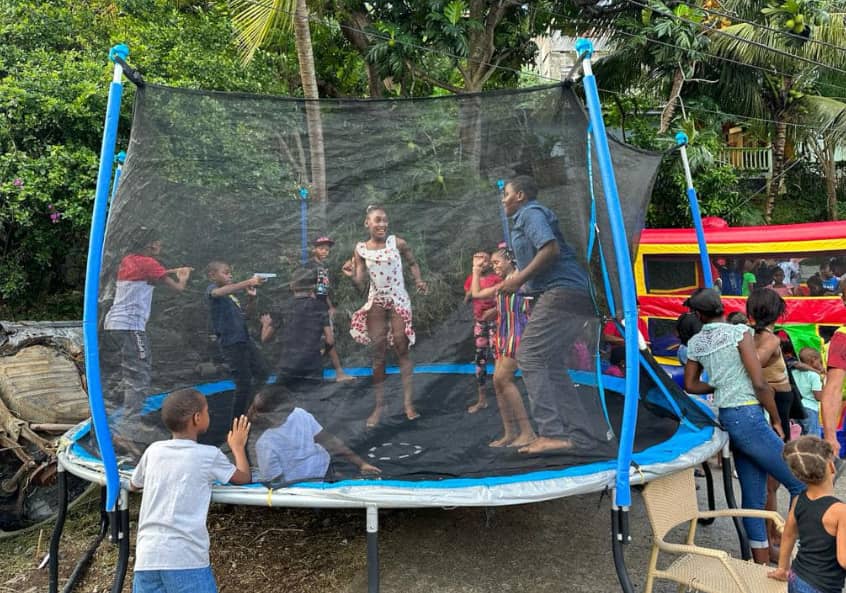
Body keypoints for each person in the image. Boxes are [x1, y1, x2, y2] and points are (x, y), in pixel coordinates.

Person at [683, 287, 805, 564]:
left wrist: (719, 382)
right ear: (722, 308)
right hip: (749, 417)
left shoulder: (696, 344)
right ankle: (799, 556)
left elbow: (691, 384)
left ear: (699, 315)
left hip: (729, 417)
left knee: (753, 497)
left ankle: (761, 564)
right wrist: (776, 419)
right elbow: (760, 383)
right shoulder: (740, 333)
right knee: (800, 485)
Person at [499, 175, 611, 455]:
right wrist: (518, 283)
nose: (503, 199)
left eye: (507, 194)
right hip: (570, 293)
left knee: (530, 356)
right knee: (551, 362)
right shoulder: (527, 216)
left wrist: (519, 278)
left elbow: (550, 249)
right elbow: (541, 266)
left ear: (521, 195)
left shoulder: (531, 213)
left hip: (563, 292)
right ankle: (579, 434)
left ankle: (551, 432)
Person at [130, 388, 251, 593]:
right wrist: (238, 447)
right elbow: (243, 477)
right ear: (197, 418)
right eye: (207, 411)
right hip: (184, 558)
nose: (208, 415)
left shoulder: (154, 451)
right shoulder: (208, 455)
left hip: (146, 557)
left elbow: (135, 484)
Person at [102, 228, 193, 454]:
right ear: (152, 246)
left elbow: (152, 272)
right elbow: (177, 289)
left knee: (128, 372)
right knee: (139, 375)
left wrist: (170, 270)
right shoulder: (149, 263)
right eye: (159, 245)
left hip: (113, 324)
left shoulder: (129, 260)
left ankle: (123, 423)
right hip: (131, 326)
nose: (160, 248)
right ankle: (127, 429)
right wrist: (183, 277)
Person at [342, 205, 428, 428]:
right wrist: (352, 275)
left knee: (401, 344)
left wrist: (418, 280)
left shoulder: (396, 243)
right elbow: (360, 281)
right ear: (367, 223)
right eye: (377, 220)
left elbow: (412, 262)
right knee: (378, 351)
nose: (382, 224)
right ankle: (379, 406)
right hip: (377, 301)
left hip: (398, 297)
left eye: (384, 220)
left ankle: (408, 403)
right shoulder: (360, 249)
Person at [469, 248, 536, 448]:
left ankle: (528, 432)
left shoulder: (519, 279)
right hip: (503, 335)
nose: (495, 266)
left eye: (498, 262)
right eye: (494, 263)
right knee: (498, 384)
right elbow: (476, 293)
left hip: (518, 335)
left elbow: (522, 300)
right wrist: (475, 271)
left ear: (509, 261)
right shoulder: (503, 283)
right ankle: (510, 432)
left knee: (502, 379)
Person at [248, 384, 380, 484]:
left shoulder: (297, 415)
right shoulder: (266, 441)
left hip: (312, 479)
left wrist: (361, 464)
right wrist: (361, 463)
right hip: (314, 479)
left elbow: (274, 481)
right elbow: (329, 441)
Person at [768, 436, 846, 593]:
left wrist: (782, 569)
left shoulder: (798, 500)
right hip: (823, 587)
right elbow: (844, 560)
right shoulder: (840, 511)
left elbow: (788, 535)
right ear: (831, 466)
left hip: (796, 578)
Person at [205, 261, 269, 420]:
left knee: (262, 372)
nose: (230, 275)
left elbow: (245, 316)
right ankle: (237, 423)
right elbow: (217, 293)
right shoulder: (212, 290)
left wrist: (251, 298)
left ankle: (251, 410)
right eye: (225, 272)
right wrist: (249, 281)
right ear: (212, 275)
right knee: (243, 383)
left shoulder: (231, 297)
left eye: (230, 272)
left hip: (244, 339)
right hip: (231, 343)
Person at [261, 267, 335, 389]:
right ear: (312, 287)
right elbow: (330, 340)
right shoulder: (320, 307)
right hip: (312, 365)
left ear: (291, 285)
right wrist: (323, 353)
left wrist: (265, 324)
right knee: (312, 402)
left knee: (281, 401)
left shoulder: (283, 306)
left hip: (288, 365)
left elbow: (265, 338)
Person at [304, 236, 353, 382]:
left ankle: (338, 372)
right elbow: (304, 287)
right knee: (323, 340)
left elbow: (322, 290)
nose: (325, 251)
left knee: (328, 340)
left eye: (327, 249)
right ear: (314, 249)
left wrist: (330, 306)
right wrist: (312, 301)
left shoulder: (323, 267)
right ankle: (333, 372)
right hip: (312, 309)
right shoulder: (309, 266)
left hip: (322, 308)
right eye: (321, 248)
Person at [464, 251, 500, 413]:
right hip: (480, 324)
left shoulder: (496, 279)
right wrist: (475, 273)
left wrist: (494, 309)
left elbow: (501, 299)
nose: (482, 263)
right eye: (478, 260)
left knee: (497, 354)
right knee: (480, 359)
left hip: (495, 322)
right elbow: (468, 298)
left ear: (490, 263)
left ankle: (503, 396)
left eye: (485, 260)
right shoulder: (472, 278)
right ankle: (482, 399)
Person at [794, 347, 824, 437]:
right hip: (810, 410)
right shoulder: (814, 375)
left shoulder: (794, 372)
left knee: (799, 437)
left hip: (796, 408)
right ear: (813, 360)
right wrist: (823, 382)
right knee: (813, 438)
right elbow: (818, 397)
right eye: (820, 361)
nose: (821, 364)